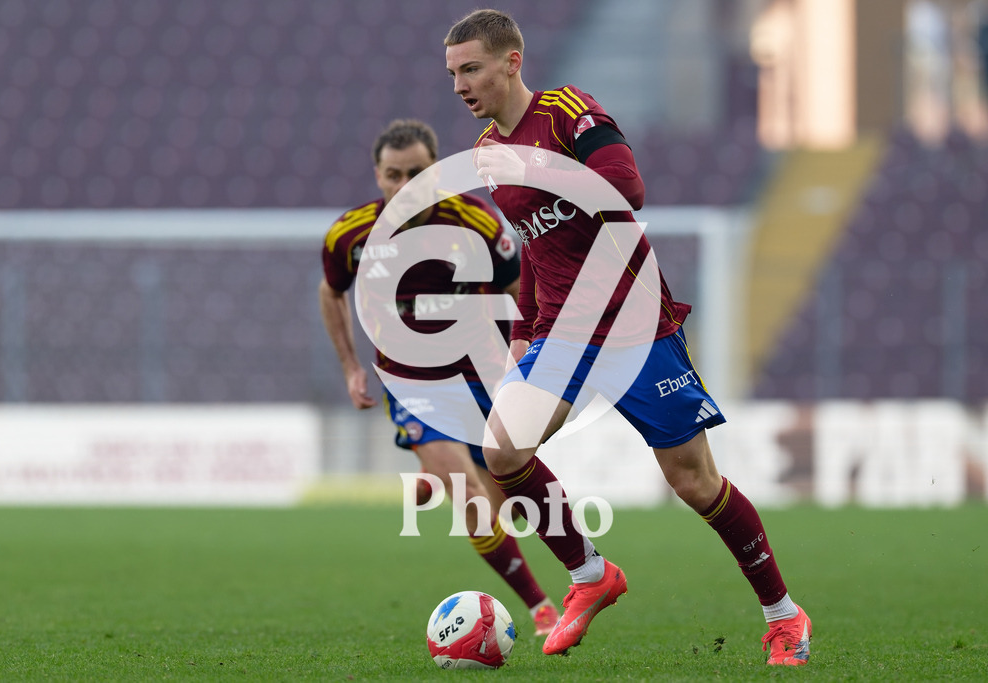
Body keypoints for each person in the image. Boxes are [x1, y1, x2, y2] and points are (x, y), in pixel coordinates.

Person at [444, 10, 812, 665]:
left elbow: (629, 190)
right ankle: (591, 575)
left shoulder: (567, 114)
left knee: (695, 482)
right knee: (501, 451)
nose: (459, 85)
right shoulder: (485, 156)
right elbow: (534, 248)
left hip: (634, 322)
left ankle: (784, 614)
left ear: (511, 63)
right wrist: (526, 330)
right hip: (560, 332)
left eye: (470, 69)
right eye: (452, 74)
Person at [318, 118, 560, 635]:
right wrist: (350, 366)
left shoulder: (475, 222)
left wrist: (524, 352)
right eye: (393, 174)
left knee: (507, 504)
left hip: (480, 375)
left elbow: (520, 284)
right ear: (377, 176)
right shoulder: (351, 235)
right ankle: (541, 607)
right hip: (412, 383)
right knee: (469, 497)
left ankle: (439, 472)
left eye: (419, 172)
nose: (405, 185)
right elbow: (329, 291)